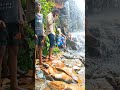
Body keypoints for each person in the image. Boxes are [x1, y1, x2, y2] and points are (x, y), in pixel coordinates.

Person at [0, 0, 26, 90]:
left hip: (14, 22)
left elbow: (18, 2)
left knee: (14, 51)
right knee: (1, 52)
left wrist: (21, 17)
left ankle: (14, 85)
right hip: (1, 22)